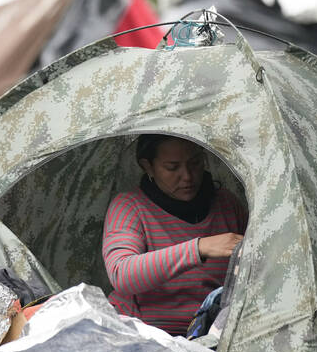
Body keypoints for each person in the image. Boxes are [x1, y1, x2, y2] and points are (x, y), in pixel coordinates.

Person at [102, 134, 248, 336]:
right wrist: (199, 248)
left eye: (195, 162)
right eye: (172, 167)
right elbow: (122, 274)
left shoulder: (227, 204)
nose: (187, 176)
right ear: (148, 166)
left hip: (210, 334)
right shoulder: (129, 206)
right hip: (142, 334)